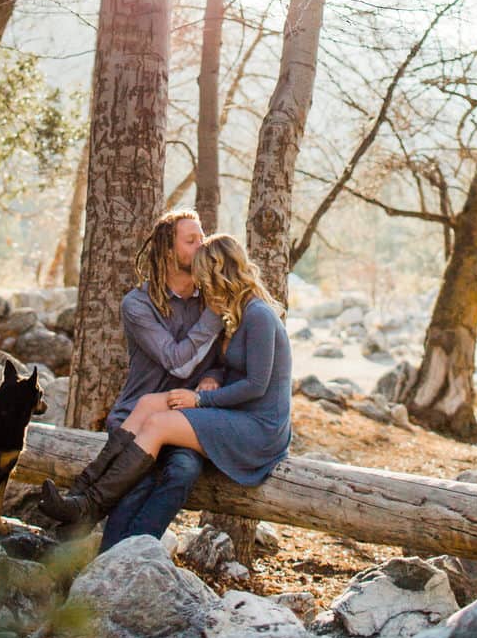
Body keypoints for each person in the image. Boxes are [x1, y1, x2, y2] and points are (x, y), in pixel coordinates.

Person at [42, 234, 291, 526]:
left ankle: (90, 508)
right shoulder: (234, 312)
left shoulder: (258, 314)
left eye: (202, 279)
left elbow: (256, 385)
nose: (199, 286)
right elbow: (229, 366)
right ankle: (79, 493)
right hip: (235, 413)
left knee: (158, 425)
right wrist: (213, 377)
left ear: (217, 275)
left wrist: (200, 399)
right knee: (148, 404)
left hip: (259, 428)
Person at [41, 209, 224, 548]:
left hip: (186, 422)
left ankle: (127, 555)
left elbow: (219, 360)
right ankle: (107, 564)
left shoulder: (211, 300)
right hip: (136, 420)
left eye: (203, 237)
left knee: (182, 472)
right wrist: (214, 317)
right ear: (168, 250)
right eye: (192, 240)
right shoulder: (138, 304)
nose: (203, 245)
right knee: (137, 482)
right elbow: (177, 363)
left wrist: (212, 376)